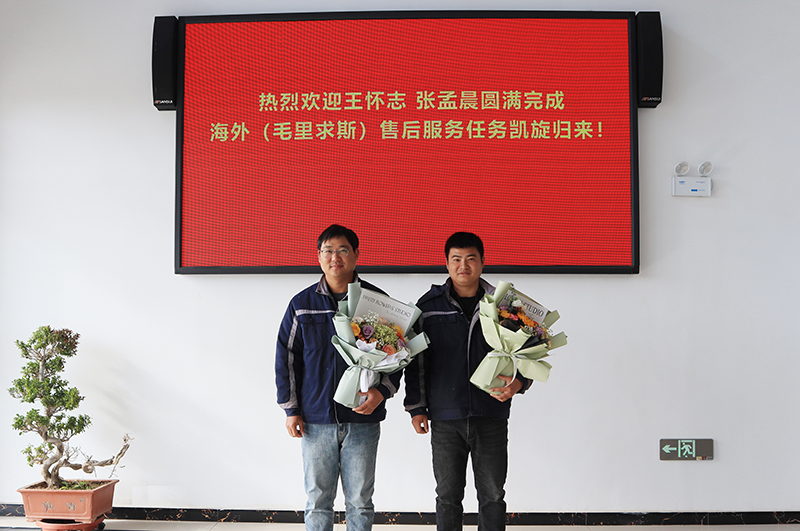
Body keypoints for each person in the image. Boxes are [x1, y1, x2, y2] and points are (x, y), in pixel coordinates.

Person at [276, 224, 401, 531]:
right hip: (316, 419)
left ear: (356, 255)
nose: (335, 258)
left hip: (363, 418)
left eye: (343, 250)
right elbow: (287, 358)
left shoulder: (376, 302)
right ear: (319, 256)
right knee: (318, 500)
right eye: (328, 251)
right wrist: (291, 409)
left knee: (360, 501)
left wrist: (382, 392)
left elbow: (398, 356)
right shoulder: (302, 305)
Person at [404, 231, 531, 531]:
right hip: (446, 417)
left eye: (471, 258)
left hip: (491, 413)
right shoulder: (428, 306)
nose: (463, 266)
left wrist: (519, 384)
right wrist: (416, 408)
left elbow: (530, 350)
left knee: (493, 495)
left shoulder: (502, 304)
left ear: (483, 262)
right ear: (447, 264)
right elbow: (416, 361)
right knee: (447, 496)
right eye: (456, 259)